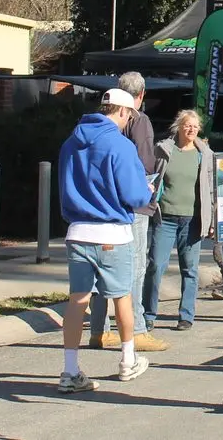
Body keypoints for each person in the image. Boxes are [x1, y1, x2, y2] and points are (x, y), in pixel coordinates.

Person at [56, 88, 153, 393]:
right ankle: (127, 360)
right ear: (123, 112)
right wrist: (151, 192)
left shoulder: (70, 142)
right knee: (122, 296)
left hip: (78, 231)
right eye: (130, 116)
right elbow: (136, 195)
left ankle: (70, 371)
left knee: (77, 300)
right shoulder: (120, 146)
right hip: (112, 233)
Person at [88, 72, 168, 352]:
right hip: (132, 203)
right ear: (142, 94)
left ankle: (99, 329)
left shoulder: (95, 125)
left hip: (101, 204)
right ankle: (137, 330)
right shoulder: (139, 119)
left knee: (100, 267)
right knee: (134, 267)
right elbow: (145, 162)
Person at [144, 109, 214, 332]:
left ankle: (186, 315)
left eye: (195, 126)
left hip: (192, 219)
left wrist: (212, 219)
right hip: (165, 217)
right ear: (179, 126)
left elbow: (211, 189)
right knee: (155, 265)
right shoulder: (164, 149)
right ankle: (148, 314)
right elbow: (150, 176)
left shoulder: (205, 154)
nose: (192, 129)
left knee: (190, 269)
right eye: (187, 125)